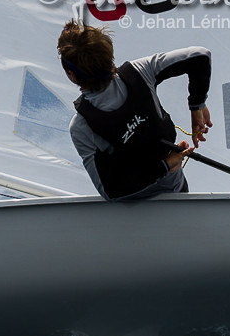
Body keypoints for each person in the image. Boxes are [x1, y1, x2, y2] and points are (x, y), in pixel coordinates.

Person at [57, 20, 212, 201]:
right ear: (110, 54)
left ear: (72, 75)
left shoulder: (81, 126)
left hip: (133, 218)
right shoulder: (141, 71)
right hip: (176, 198)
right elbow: (201, 56)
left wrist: (167, 165)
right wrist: (197, 105)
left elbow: (111, 192)